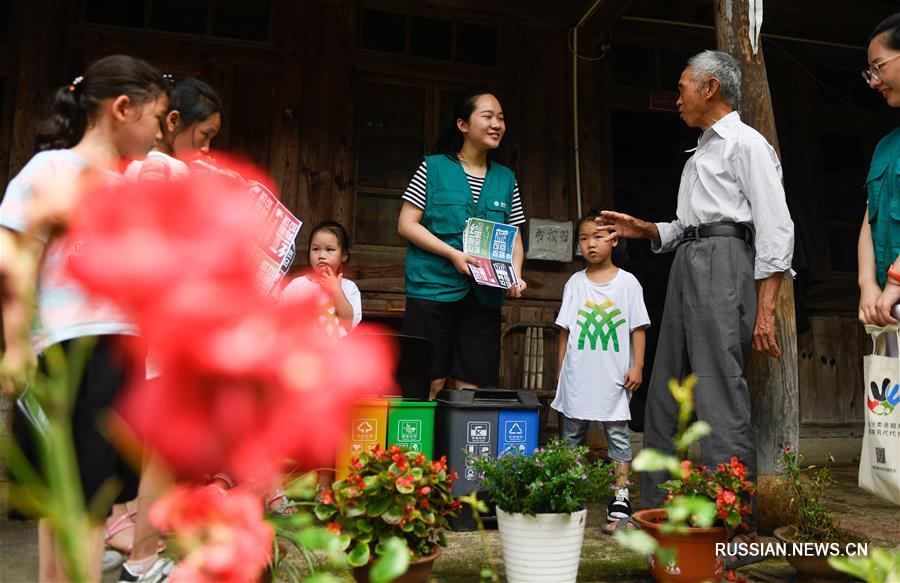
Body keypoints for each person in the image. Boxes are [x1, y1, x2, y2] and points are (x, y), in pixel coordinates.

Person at [599, 50, 794, 566]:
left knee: (717, 391)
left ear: (710, 88)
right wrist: (648, 230)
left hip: (727, 263)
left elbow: (776, 227)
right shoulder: (699, 151)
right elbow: (690, 224)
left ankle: (734, 530)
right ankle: (657, 516)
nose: (677, 94)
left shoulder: (747, 145)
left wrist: (766, 309)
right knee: (666, 389)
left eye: (683, 84)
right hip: (688, 260)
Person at [0, 55, 171, 582]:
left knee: (93, 497)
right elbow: (13, 258)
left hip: (123, 349)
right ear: (123, 109)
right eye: (157, 118)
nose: (163, 133)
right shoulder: (50, 170)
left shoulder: (131, 185)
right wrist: (15, 346)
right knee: (65, 498)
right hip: (67, 345)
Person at [110, 74, 223, 583]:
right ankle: (142, 559)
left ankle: (122, 530)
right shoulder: (166, 171)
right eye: (205, 135)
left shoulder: (135, 169)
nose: (208, 146)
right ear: (173, 121)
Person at [398, 90, 527, 398]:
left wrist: (516, 275)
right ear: (463, 125)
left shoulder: (507, 179)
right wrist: (453, 254)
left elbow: (515, 237)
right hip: (432, 289)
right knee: (429, 382)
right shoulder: (433, 168)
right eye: (487, 116)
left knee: (473, 385)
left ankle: (459, 448)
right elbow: (406, 224)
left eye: (501, 118)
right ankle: (419, 448)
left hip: (484, 295)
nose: (497, 124)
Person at [552, 214, 649, 534]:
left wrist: (637, 365)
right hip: (578, 376)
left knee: (618, 439)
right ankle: (568, 492)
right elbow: (564, 331)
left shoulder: (628, 283)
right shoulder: (575, 283)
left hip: (614, 377)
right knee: (571, 440)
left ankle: (620, 498)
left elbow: (637, 328)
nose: (590, 244)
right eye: (583, 238)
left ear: (615, 239)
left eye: (598, 236)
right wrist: (561, 370)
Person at [858, 13, 900, 336]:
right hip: (889, 308)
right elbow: (869, 217)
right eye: (869, 71)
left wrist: (896, 279)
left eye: (878, 66)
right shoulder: (885, 147)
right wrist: (868, 283)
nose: (873, 81)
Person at [125, 75, 222, 181]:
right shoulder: (174, 169)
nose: (206, 148)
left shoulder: (134, 163)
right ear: (174, 120)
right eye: (205, 134)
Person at [281, 221, 362, 338]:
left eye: (329, 250)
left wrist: (336, 290)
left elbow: (349, 322)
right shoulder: (298, 285)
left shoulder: (349, 287)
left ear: (343, 255)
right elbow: (280, 315)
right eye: (315, 249)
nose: (321, 255)